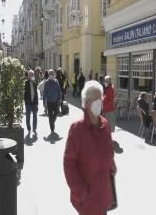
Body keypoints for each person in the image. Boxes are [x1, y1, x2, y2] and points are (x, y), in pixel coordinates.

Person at [64, 80, 117, 215]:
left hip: (103, 196)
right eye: (95, 99)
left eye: (100, 98)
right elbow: (69, 164)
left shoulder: (105, 125)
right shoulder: (77, 129)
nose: (99, 102)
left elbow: (108, 149)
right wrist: (81, 192)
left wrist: (112, 164)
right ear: (85, 103)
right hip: (87, 200)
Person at [43, 69, 61, 134]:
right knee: (50, 116)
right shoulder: (47, 83)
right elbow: (44, 93)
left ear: (54, 74)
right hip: (49, 102)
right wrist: (44, 104)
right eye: (50, 74)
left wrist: (60, 99)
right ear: (48, 75)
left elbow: (59, 91)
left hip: (56, 101)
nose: (51, 75)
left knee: (56, 113)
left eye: (52, 74)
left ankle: (52, 122)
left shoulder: (56, 82)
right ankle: (52, 129)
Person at [24, 70, 38, 136]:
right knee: (28, 117)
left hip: (34, 103)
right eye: (31, 75)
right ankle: (29, 129)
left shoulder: (35, 83)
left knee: (35, 117)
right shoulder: (25, 83)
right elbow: (24, 94)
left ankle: (34, 129)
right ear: (28, 76)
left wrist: (37, 103)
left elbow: (36, 94)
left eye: (33, 75)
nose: (32, 76)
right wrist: (26, 101)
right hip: (28, 103)